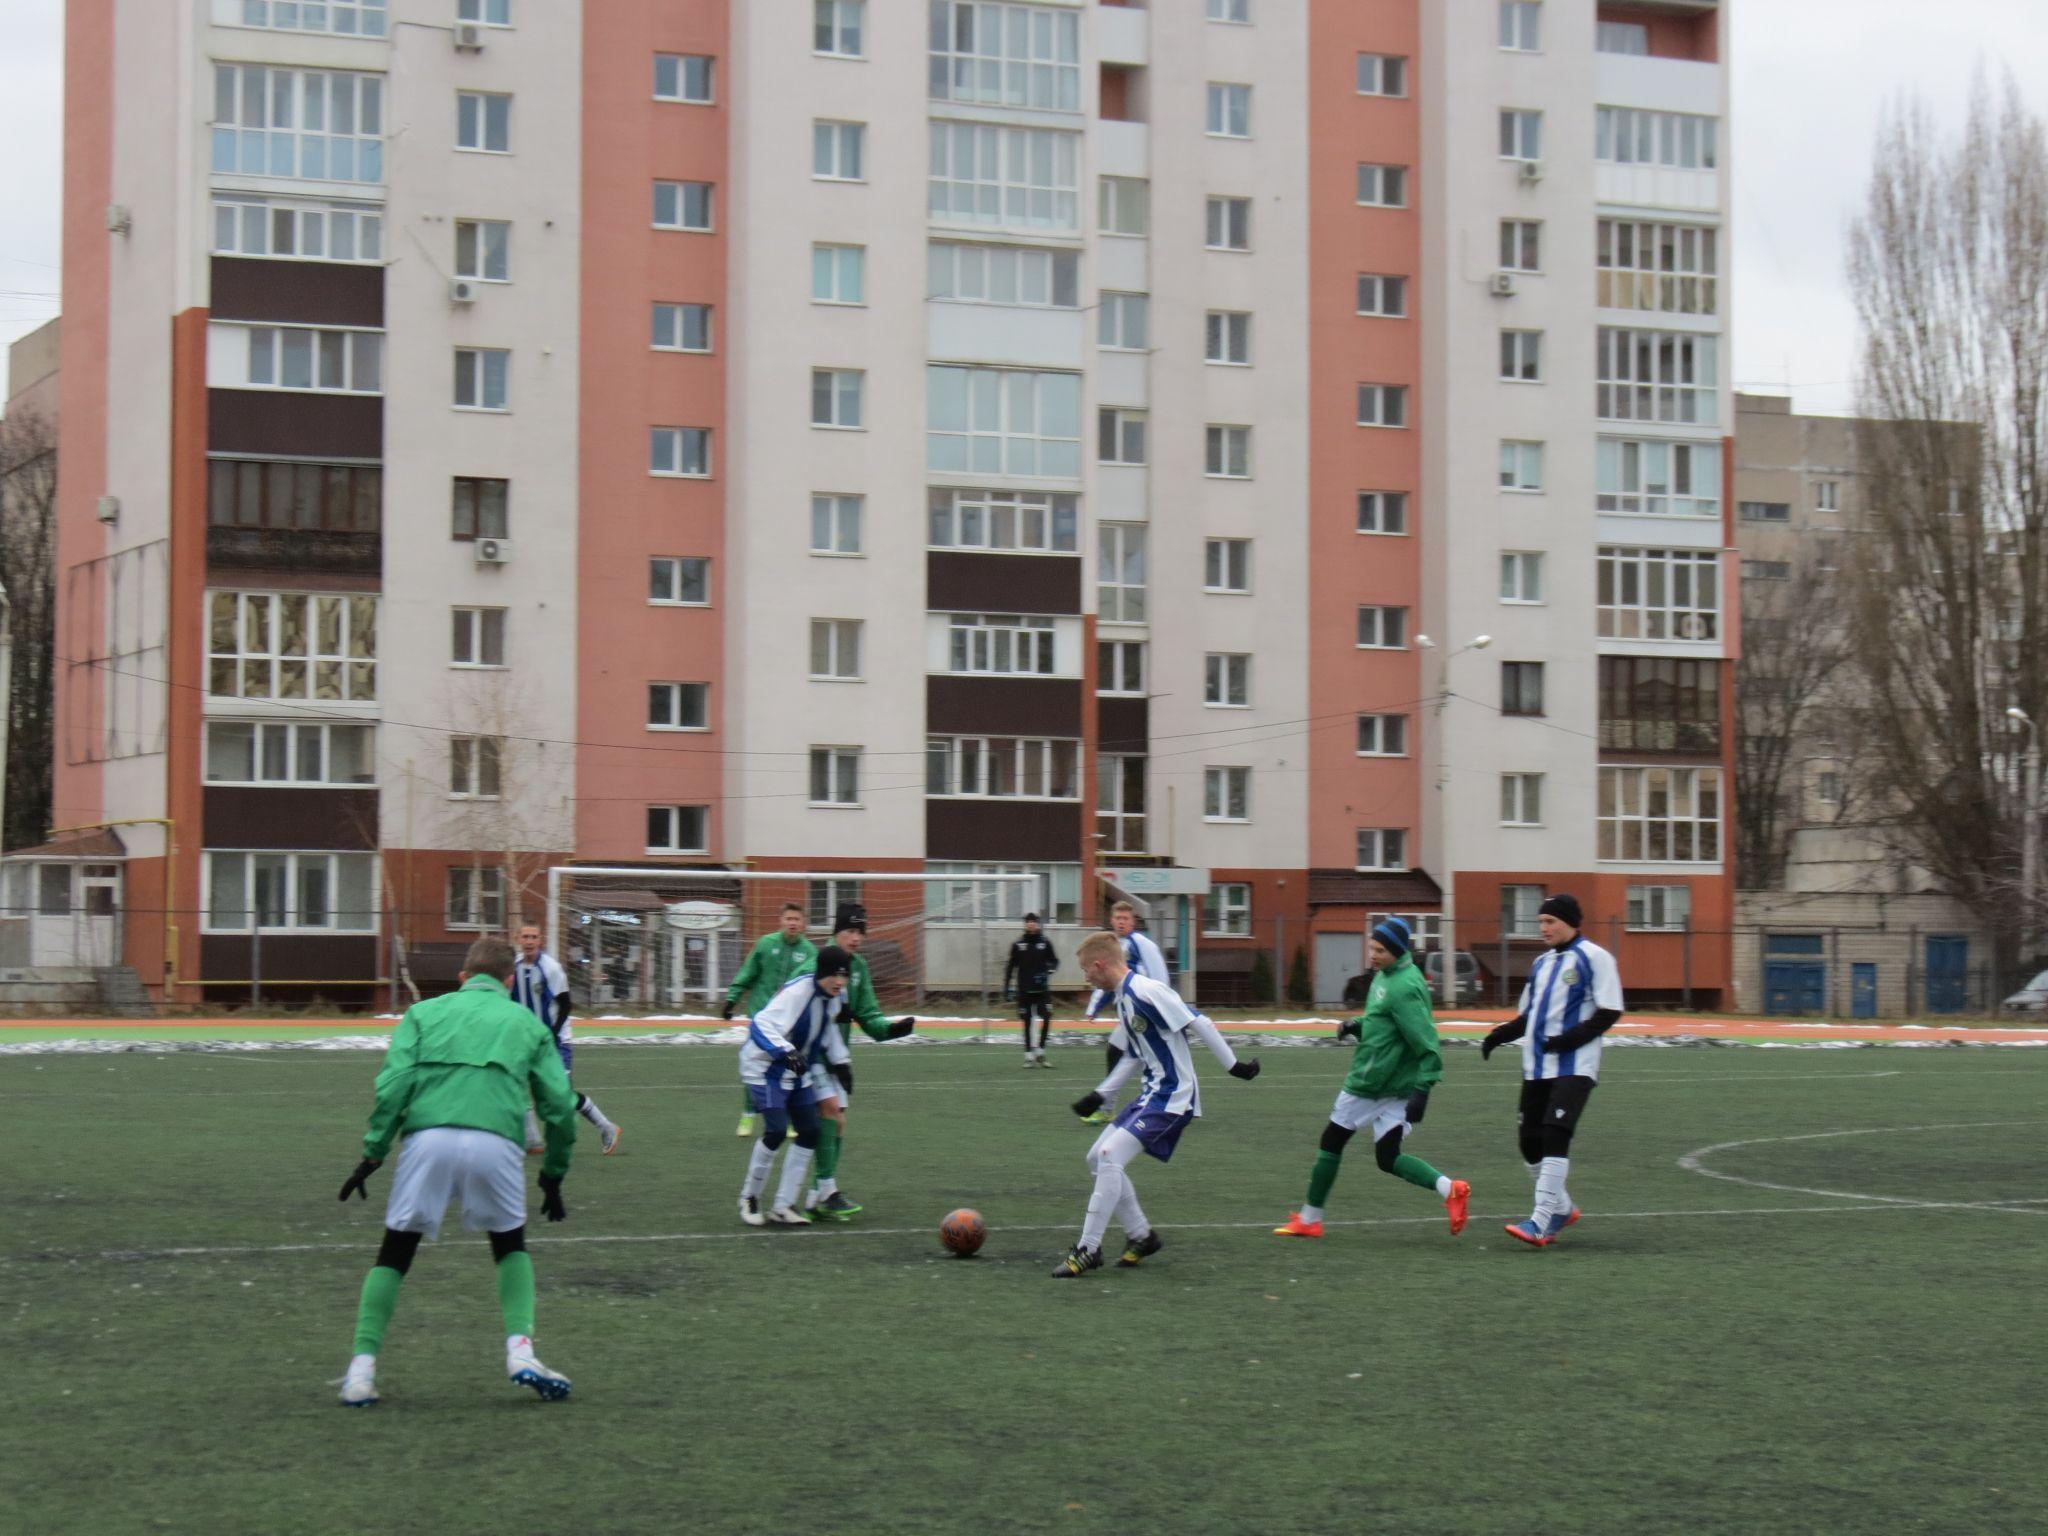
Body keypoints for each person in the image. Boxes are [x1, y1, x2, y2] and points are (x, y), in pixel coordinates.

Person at [333, 936, 578, 1407]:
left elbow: (394, 1085)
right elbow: (559, 1108)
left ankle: (360, 1372)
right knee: (509, 1244)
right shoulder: (526, 1022)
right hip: (497, 1140)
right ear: (509, 982)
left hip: (429, 1139)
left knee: (395, 1251)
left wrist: (374, 1152)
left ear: (462, 977)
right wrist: (553, 1172)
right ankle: (521, 1352)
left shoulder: (423, 1013)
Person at [1052, 930, 1262, 1278]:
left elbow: (1200, 1022)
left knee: (1108, 1157)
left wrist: (1234, 1066)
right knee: (1096, 1158)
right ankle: (1141, 1236)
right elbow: (1134, 1056)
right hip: (1152, 1094)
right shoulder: (1122, 999)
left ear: (1100, 965)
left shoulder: (1147, 991)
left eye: (1086, 970)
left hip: (1174, 1097)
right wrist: (1100, 1094)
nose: (1085, 977)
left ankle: (1088, 1249)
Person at [1273, 918, 1469, 1240]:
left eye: (1379, 950)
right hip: (1390, 1081)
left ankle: (1310, 1219)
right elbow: (1385, 1023)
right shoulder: (1387, 976)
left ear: (1396, 950)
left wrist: (1424, 1089)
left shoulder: (1403, 986)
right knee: (1388, 1158)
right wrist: (1358, 1025)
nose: (1372, 955)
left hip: (1374, 1082)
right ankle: (1451, 1189)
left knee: (1331, 1141)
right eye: (1372, 947)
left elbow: (1426, 1042)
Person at [1479, 894, 1624, 1247]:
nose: (1543, 928)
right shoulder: (1542, 963)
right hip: (1537, 1066)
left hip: (1575, 1066)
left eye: (1550, 922)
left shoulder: (1595, 957)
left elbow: (1610, 1010)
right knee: (1530, 1143)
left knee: (1555, 1134)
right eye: (1541, 922)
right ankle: (1561, 1208)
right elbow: (1530, 1017)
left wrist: (1569, 1040)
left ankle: (1540, 1222)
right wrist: (1499, 1035)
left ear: (1571, 922)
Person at [799, 904, 916, 1221]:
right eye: (849, 931)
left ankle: (815, 1197)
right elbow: (799, 1002)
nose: (855, 938)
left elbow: (867, 1014)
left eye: (860, 932)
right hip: (809, 1054)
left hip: (838, 1056)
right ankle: (827, 1190)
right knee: (831, 1114)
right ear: (836, 932)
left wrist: (890, 1030)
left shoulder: (859, 968)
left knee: (836, 1122)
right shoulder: (816, 963)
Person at [737, 947, 855, 1227]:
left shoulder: (834, 998)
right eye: (835, 976)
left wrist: (841, 1063)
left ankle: (784, 1205)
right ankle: (749, 1197)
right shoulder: (798, 993)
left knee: (810, 1131)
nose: (840, 982)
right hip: (766, 1067)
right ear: (822, 973)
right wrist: (785, 1051)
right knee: (776, 1130)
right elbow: (760, 1023)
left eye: (845, 976)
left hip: (797, 1068)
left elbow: (826, 1033)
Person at [512, 922, 621, 1156]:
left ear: (540, 940)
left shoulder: (551, 969)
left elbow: (565, 1005)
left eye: (533, 936)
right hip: (527, 1041)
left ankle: (607, 1127)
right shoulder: (514, 969)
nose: (529, 941)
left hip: (555, 1041)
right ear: (517, 939)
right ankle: (533, 1140)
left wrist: (551, 1034)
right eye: (525, 936)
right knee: (516, 1085)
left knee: (562, 1097)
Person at [723, 903, 819, 1136]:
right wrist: (732, 999)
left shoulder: (809, 952)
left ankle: (784, 1119)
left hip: (791, 1020)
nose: (793, 923)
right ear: (781, 920)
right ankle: (747, 1115)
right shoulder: (766, 944)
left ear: (804, 923)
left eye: (797, 919)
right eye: (789, 918)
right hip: (761, 1017)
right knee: (755, 1066)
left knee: (788, 1068)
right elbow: (748, 972)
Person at [1080, 901, 1169, 1123]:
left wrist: (1161, 1005)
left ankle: (1107, 1106)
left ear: (1133, 921)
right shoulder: (1111, 946)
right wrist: (1094, 1006)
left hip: (1146, 1011)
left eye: (1125, 919)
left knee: (1136, 1057)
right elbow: (1105, 979)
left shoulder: (1141, 943)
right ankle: (1108, 1107)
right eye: (1118, 918)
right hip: (1130, 1013)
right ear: (1111, 920)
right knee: (1123, 1054)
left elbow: (1159, 976)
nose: (1121, 922)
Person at [1003, 912, 1060, 1067]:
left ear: (1037, 924)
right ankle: (1028, 1055)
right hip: (1024, 991)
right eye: (1028, 921)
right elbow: (1010, 967)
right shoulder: (1018, 944)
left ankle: (1040, 1051)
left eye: (1033, 921)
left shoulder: (1045, 942)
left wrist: (1048, 971)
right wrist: (1007, 987)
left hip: (1042, 990)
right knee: (1027, 1022)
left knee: (1047, 1016)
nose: (1031, 924)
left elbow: (1054, 961)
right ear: (1025, 924)